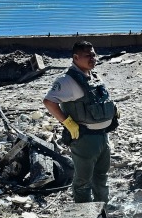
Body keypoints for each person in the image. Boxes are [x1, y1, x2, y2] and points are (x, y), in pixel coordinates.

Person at [43, 40, 118, 203]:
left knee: (101, 177)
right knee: (83, 181)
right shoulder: (66, 80)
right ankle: (84, 213)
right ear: (76, 57)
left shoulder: (94, 76)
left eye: (94, 55)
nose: (93, 58)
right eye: (87, 56)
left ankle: (102, 209)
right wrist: (67, 123)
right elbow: (49, 101)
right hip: (85, 138)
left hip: (103, 137)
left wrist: (113, 111)